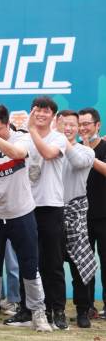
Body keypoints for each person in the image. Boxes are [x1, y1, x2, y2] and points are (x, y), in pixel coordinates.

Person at [0, 104, 52, 332]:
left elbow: (17, 154)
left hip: (21, 213)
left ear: (6, 124)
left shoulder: (22, 138)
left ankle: (38, 313)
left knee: (30, 264)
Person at [26, 97, 68, 329]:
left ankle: (58, 310)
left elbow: (48, 154)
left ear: (53, 115)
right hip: (26, 206)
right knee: (30, 260)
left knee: (53, 261)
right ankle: (31, 310)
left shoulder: (58, 138)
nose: (41, 114)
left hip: (51, 205)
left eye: (46, 111)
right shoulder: (24, 138)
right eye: (37, 110)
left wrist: (32, 129)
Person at [58, 110, 97, 328]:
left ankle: (83, 310)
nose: (68, 128)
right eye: (63, 124)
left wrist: (61, 139)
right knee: (52, 267)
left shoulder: (86, 151)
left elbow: (77, 162)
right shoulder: (49, 150)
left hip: (75, 214)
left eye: (72, 124)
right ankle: (56, 309)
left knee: (79, 266)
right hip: (52, 213)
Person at [79, 108, 106, 317]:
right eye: (80, 124)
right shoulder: (74, 149)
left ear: (98, 125)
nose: (83, 128)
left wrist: (89, 153)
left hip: (104, 215)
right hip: (81, 215)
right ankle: (87, 306)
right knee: (84, 264)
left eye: (87, 124)